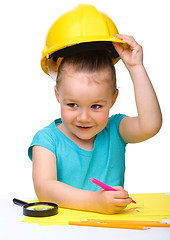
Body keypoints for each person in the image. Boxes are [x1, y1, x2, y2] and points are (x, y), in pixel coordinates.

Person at [28, 6, 162, 215]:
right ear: (57, 96)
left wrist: (136, 68)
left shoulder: (115, 130)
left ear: (113, 99)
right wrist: (95, 201)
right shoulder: (46, 140)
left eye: (96, 106)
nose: (84, 117)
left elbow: (150, 125)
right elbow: (44, 189)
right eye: (72, 104)